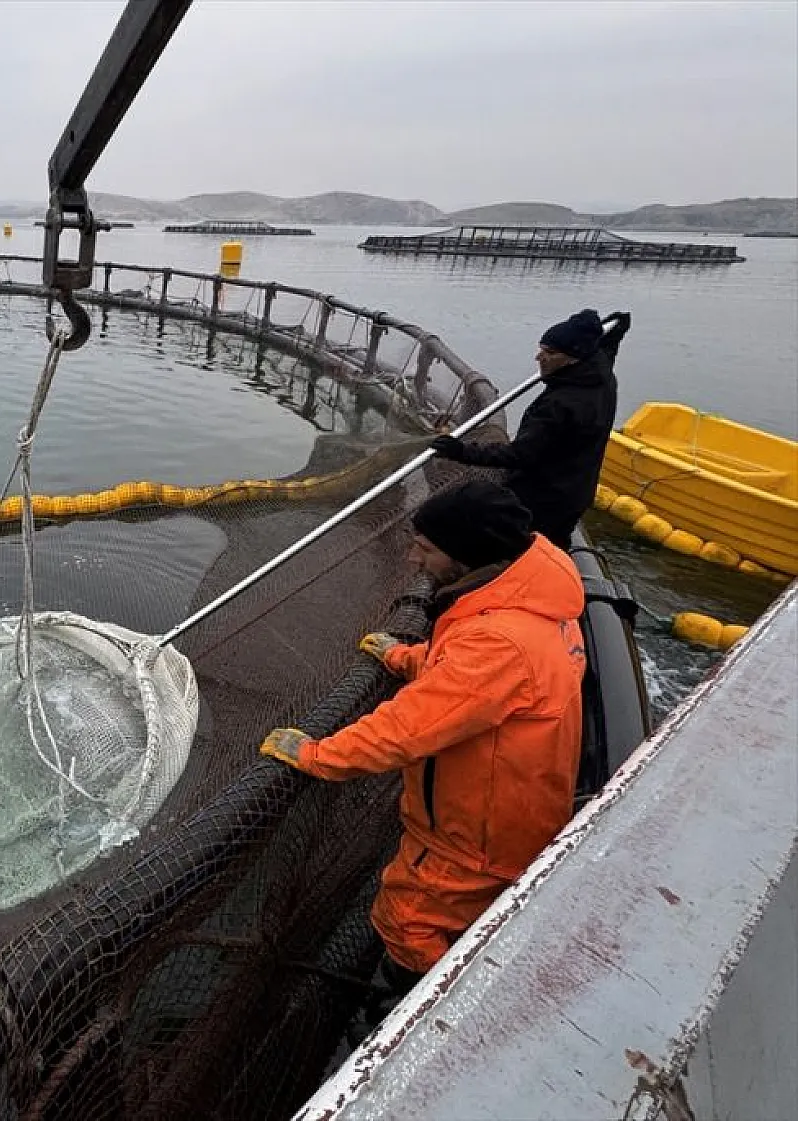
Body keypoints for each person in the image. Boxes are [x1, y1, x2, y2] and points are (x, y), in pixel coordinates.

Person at [258, 478, 587, 999]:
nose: (413, 558)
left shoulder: (499, 639)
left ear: (467, 554)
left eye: (427, 549)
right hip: (521, 818)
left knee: (405, 920)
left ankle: (429, 1011)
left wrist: (317, 754)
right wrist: (403, 656)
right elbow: (467, 686)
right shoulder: (534, 603)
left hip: (472, 843)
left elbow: (406, 729)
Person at [429, 308, 631, 548]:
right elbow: (606, 349)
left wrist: (461, 451)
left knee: (510, 545)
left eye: (550, 352)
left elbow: (520, 454)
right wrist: (614, 330)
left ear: (572, 358)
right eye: (541, 348)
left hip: (543, 498)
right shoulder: (600, 375)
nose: (539, 357)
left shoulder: (559, 405)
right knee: (555, 544)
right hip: (577, 491)